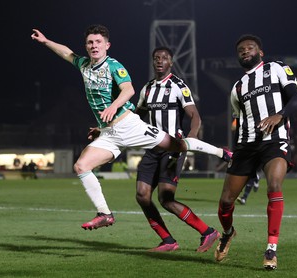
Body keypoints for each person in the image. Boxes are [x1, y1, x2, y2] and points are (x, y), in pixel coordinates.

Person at [31, 25, 232, 231]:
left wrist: (114, 105)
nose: (94, 46)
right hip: (109, 133)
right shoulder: (83, 64)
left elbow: (129, 89)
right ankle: (105, 213)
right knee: (81, 166)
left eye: (98, 42)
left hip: (128, 125)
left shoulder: (113, 65)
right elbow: (67, 53)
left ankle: (222, 152)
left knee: (178, 145)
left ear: (107, 45)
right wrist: (46, 41)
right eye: (90, 42)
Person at [214, 34, 297, 270]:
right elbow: (239, 122)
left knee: (274, 185)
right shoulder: (237, 88)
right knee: (225, 203)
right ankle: (228, 233)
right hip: (246, 146)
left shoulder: (277, 68)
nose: (245, 51)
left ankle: (271, 249)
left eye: (250, 48)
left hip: (275, 141)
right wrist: (237, 152)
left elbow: (296, 98)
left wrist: (279, 115)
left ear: (260, 52)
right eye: (241, 50)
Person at [135, 47, 228, 252]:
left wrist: (192, 138)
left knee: (165, 198)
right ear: (153, 62)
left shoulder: (178, 86)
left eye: (164, 58)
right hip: (152, 149)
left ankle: (207, 231)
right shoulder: (147, 89)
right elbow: (136, 115)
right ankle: (168, 240)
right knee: (142, 195)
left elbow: (194, 115)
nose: (160, 61)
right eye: (156, 58)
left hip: (173, 149)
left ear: (171, 62)